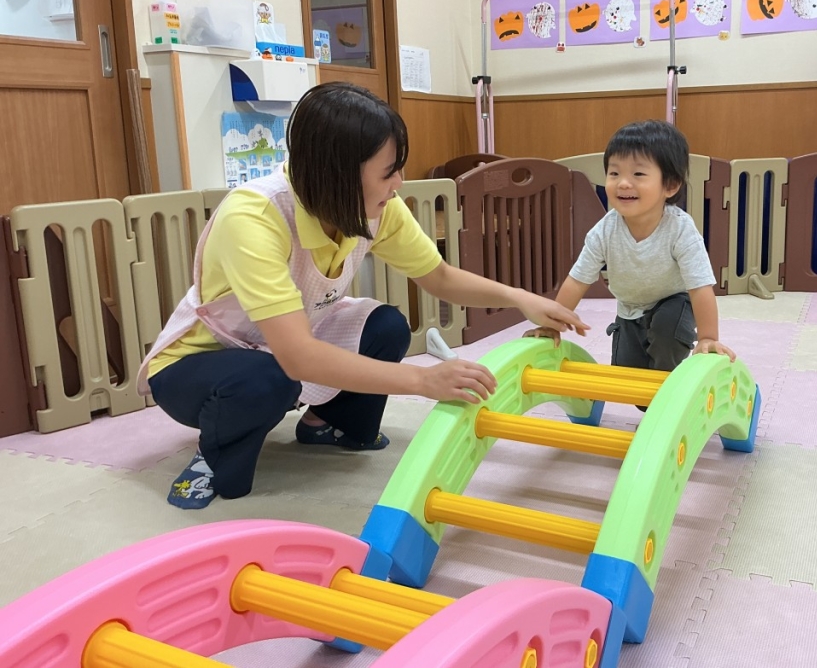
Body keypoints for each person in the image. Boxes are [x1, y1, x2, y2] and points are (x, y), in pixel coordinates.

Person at [137, 82, 589, 510]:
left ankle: (323, 424)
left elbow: (440, 276)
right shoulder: (255, 215)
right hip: (202, 365)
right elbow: (296, 358)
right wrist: (423, 381)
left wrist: (521, 298)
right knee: (267, 380)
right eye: (388, 172)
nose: (400, 184)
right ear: (336, 174)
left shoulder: (377, 208)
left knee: (385, 325)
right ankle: (212, 455)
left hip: (285, 347)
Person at [525, 119, 734, 390]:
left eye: (638, 175)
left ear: (670, 185)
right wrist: (552, 326)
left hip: (675, 301)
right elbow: (577, 281)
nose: (623, 184)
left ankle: (670, 390)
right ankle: (652, 394)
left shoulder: (680, 228)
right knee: (631, 385)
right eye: (614, 174)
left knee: (666, 332)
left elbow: (699, 286)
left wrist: (708, 337)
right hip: (629, 310)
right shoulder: (604, 230)